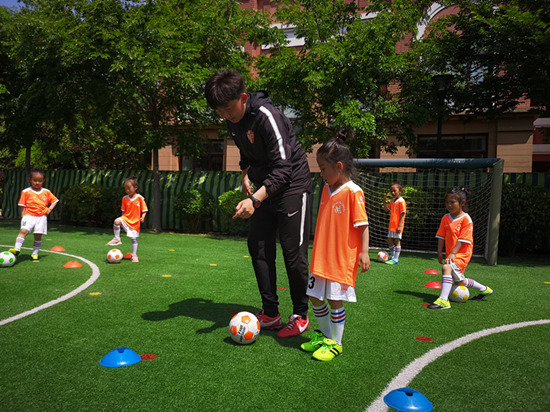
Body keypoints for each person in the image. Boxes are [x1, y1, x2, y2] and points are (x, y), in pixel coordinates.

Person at [205, 69, 312, 338]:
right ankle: (271, 313)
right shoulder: (233, 120)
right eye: (220, 111)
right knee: (259, 246)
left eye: (229, 109)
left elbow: (284, 168)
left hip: (292, 185)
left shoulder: (267, 116)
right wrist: (245, 174)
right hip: (264, 185)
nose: (226, 115)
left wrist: (255, 199)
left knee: (293, 253)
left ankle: (300, 315)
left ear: (243, 97)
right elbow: (245, 149)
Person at [301, 135, 370, 361]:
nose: (320, 173)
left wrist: (364, 252)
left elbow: (363, 226)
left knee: (334, 300)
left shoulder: (353, 192)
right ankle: (325, 336)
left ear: (339, 167)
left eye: (323, 168)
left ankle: (336, 344)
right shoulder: (325, 189)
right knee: (314, 296)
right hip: (321, 256)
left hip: (340, 259)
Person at [428, 187, 493, 310]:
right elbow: (441, 236)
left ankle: (443, 300)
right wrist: (439, 252)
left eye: (452, 202)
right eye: (447, 202)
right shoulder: (445, 218)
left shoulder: (466, 219)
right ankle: (484, 290)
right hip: (451, 254)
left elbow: (463, 240)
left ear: (462, 203)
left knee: (446, 267)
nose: (449, 205)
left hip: (462, 254)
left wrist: (452, 253)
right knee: (460, 282)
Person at [9, 168, 59, 262]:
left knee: (38, 235)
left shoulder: (46, 192)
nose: (37, 182)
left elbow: (55, 200)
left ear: (43, 180)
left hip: (41, 217)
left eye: (40, 181)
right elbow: (22, 205)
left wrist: (50, 209)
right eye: (35, 180)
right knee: (24, 231)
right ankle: (17, 249)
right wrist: (23, 216)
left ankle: (35, 254)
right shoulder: (26, 191)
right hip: (29, 216)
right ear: (30, 180)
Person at [106, 176, 148, 263]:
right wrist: (121, 221)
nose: (127, 190)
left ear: (135, 187)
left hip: (135, 222)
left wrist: (142, 217)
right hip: (126, 218)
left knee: (133, 238)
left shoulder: (140, 198)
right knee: (116, 221)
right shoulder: (124, 198)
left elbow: (144, 210)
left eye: (129, 188)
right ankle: (117, 239)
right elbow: (123, 211)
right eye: (125, 189)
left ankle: (134, 255)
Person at [383, 182, 406, 264]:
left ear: (400, 191)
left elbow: (403, 214)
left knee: (397, 241)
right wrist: (384, 202)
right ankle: (393, 257)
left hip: (397, 225)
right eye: (391, 191)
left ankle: (396, 259)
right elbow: (387, 210)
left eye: (394, 191)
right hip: (391, 225)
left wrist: (400, 226)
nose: (392, 193)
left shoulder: (401, 201)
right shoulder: (393, 201)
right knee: (389, 240)